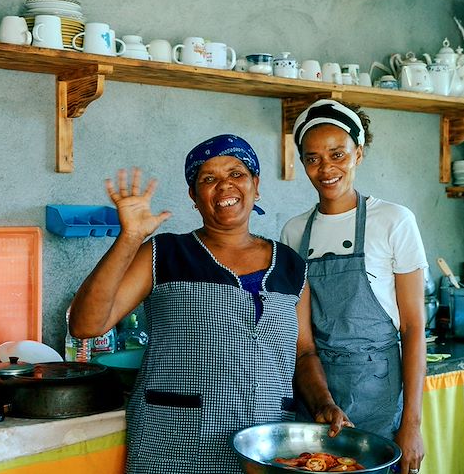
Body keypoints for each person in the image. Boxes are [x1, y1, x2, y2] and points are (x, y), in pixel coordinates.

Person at [68, 134, 350, 474]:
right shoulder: (163, 254)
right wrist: (130, 238)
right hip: (173, 445)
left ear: (256, 185)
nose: (225, 185)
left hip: (264, 448)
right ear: (194, 196)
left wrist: (323, 403)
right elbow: (85, 325)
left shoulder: (291, 266)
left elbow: (303, 353)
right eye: (208, 179)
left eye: (236, 174)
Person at [280, 99, 428, 474]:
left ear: (358, 154)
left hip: (380, 395)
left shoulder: (394, 220)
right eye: (313, 158)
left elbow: (413, 328)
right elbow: (303, 343)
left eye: (338, 154)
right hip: (317, 395)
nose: (326, 168)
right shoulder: (294, 232)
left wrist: (411, 425)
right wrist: (322, 402)